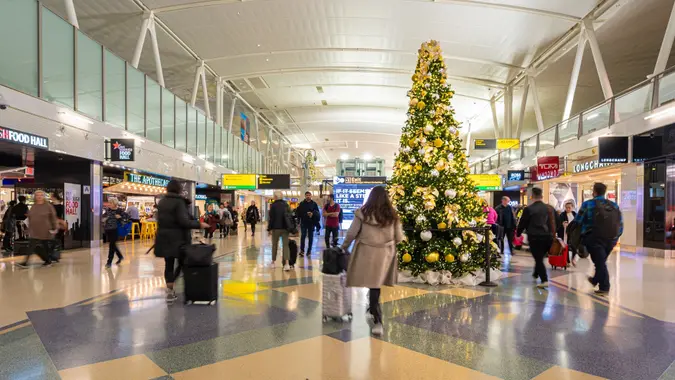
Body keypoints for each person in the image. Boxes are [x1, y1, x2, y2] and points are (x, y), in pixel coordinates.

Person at [342, 186, 404, 336]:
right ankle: (375, 315)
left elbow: (351, 233)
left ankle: (377, 318)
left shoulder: (362, 213)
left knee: (370, 282)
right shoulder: (392, 215)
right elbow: (399, 237)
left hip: (365, 252)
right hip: (385, 254)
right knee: (375, 284)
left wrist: (344, 247)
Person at [155, 180, 209, 302]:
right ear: (179, 190)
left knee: (168, 264)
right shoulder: (179, 203)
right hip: (178, 238)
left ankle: (169, 290)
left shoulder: (162, 202)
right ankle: (188, 289)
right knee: (183, 263)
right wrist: (199, 225)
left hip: (164, 237)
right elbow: (183, 221)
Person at [575, 183, 623, 296]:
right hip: (611, 239)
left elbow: (578, 220)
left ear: (594, 192)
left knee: (600, 262)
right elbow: (620, 224)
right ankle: (595, 280)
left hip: (594, 238)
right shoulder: (614, 206)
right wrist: (616, 237)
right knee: (600, 261)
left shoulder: (588, 204)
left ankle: (605, 287)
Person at [516, 187, 557, 289]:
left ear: (532, 196)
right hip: (548, 237)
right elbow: (557, 221)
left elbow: (523, 223)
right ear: (542, 196)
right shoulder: (549, 208)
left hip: (535, 237)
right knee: (540, 256)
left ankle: (544, 279)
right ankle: (536, 272)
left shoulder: (528, 209)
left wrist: (518, 233)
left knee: (538, 258)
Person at [17, 191, 58, 268]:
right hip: (35, 230)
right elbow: (30, 217)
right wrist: (28, 229)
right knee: (32, 245)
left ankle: (47, 260)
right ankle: (27, 262)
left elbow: (53, 217)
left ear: (44, 196)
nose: (39, 197)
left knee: (44, 246)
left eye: (41, 195)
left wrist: (55, 227)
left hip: (45, 230)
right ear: (35, 197)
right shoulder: (34, 206)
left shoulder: (48, 206)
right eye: (37, 195)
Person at [268, 191, 292, 270]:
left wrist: (269, 229)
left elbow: (271, 218)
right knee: (285, 245)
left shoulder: (273, 205)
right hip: (285, 228)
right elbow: (290, 216)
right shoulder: (286, 205)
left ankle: (273, 262)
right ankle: (287, 264)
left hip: (276, 228)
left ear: (275, 197)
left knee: (275, 245)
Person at [102, 198, 129, 268]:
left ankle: (109, 262)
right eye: (109, 203)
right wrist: (104, 219)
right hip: (108, 230)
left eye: (111, 203)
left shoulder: (119, 211)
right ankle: (120, 256)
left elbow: (127, 218)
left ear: (115, 204)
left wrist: (120, 217)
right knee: (113, 244)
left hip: (115, 230)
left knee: (111, 245)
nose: (109, 204)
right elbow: (103, 217)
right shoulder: (108, 210)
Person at [295, 191, 320, 257]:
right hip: (304, 222)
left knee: (310, 237)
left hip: (311, 223)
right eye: (307, 195)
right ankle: (302, 251)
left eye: (309, 195)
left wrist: (312, 214)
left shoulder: (314, 204)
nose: (308, 196)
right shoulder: (302, 204)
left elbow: (317, 213)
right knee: (303, 237)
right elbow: (298, 213)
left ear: (311, 196)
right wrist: (298, 221)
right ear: (305, 196)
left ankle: (309, 251)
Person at [558, 202, 578, 266]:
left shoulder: (575, 214)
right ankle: (566, 261)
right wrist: (562, 224)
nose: (568, 209)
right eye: (566, 207)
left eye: (569, 207)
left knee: (574, 246)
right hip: (565, 233)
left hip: (573, 234)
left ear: (572, 207)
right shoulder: (562, 215)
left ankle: (573, 259)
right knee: (565, 247)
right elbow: (559, 223)